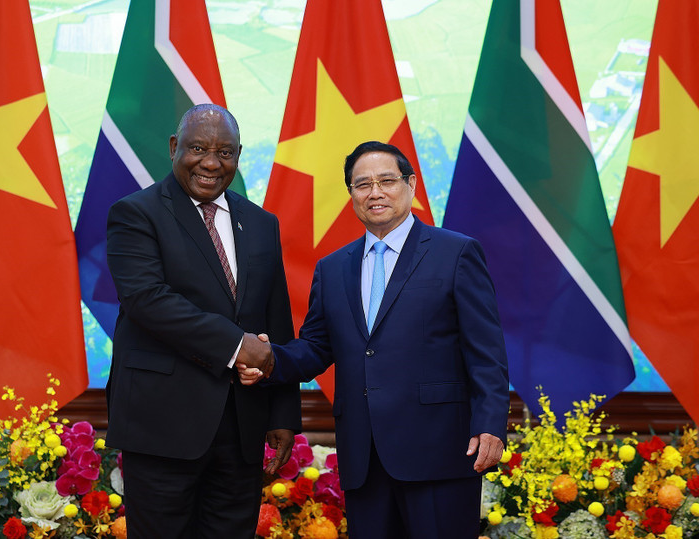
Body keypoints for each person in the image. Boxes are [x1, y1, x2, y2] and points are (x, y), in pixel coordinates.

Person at [239, 141, 510, 538]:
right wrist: (267, 360)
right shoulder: (332, 269)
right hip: (364, 457)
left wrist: (490, 424)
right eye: (362, 184)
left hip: (439, 451)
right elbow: (315, 346)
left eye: (386, 180)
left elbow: (486, 351)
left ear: (411, 185)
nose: (375, 192)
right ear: (351, 194)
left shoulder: (456, 253)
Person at [105, 103, 300, 539]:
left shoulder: (261, 223)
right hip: (162, 427)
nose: (211, 163)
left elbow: (276, 319)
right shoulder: (135, 214)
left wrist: (284, 411)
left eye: (225, 152)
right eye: (197, 148)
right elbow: (148, 300)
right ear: (175, 147)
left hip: (242, 427)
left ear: (238, 155)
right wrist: (238, 345)